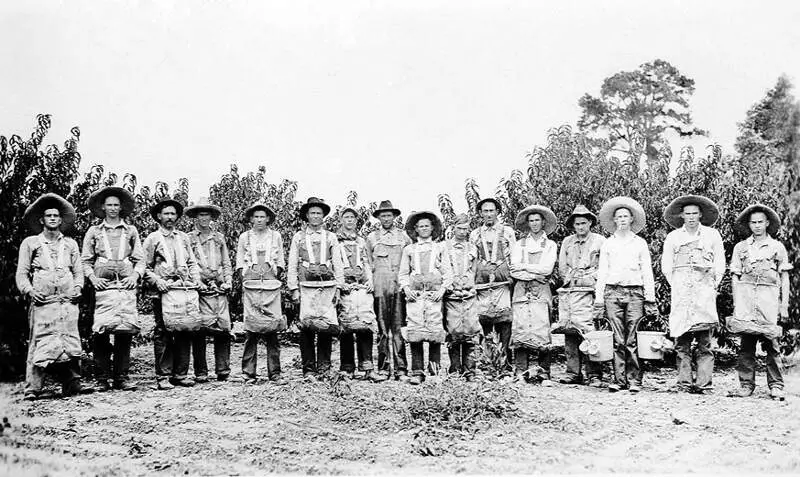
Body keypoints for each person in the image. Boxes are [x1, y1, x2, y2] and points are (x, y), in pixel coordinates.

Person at [16, 193, 94, 400]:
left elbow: (78, 272)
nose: (52, 218)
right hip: (43, 302)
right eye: (48, 215)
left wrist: (78, 287)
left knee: (70, 340)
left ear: (61, 220)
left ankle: (72, 383)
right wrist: (30, 291)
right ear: (41, 220)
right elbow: (22, 273)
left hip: (67, 301)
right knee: (40, 341)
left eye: (56, 216)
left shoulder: (70, 244)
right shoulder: (31, 243)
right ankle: (33, 387)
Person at [81, 186, 144, 392]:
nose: (113, 208)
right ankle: (101, 377)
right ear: (102, 207)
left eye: (116, 205)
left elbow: (140, 259)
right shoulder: (94, 231)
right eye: (109, 205)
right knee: (101, 331)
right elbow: (85, 260)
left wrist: (134, 276)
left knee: (124, 330)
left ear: (121, 207)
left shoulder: (131, 231)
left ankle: (121, 377)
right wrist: (92, 278)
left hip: (124, 287)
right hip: (102, 287)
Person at [661, 195, 725, 394]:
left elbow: (719, 264)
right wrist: (679, 286)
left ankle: (704, 384)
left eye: (694, 213)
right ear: (681, 215)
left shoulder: (712, 235)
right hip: (681, 293)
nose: (691, 217)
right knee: (682, 342)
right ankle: (684, 382)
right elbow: (666, 267)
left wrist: (711, 285)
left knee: (704, 341)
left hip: (704, 292)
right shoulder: (673, 238)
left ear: (700, 215)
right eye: (687, 213)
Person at [729, 204, 792, 401]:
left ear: (767, 223)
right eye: (753, 222)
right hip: (746, 300)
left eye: (760, 222)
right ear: (749, 225)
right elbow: (735, 276)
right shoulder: (741, 247)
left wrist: (784, 305)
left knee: (772, 344)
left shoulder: (777, 247)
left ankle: (776, 385)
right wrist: (737, 301)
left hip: (768, 301)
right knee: (746, 345)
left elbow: (785, 278)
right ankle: (746, 385)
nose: (757, 226)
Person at [594, 196, 656, 393]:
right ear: (614, 220)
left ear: (631, 219)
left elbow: (647, 271)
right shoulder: (608, 244)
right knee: (617, 338)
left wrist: (650, 297)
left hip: (635, 293)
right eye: (618, 216)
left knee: (632, 338)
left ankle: (634, 380)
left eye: (625, 216)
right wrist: (599, 298)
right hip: (612, 292)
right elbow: (602, 271)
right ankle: (619, 380)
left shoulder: (639, 243)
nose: (622, 219)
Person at [143, 198, 204, 389]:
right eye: (166, 214)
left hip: (183, 290)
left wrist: (196, 280)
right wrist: (157, 281)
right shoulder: (153, 239)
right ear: (159, 216)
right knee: (164, 331)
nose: (170, 217)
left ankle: (181, 373)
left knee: (184, 330)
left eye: (173, 214)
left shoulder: (183, 238)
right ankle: (163, 375)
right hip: (163, 291)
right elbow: (143, 266)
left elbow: (192, 262)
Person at [288, 197, 345, 381]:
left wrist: (339, 287)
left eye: (318, 213)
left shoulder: (330, 237)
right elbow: (292, 264)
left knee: (325, 327)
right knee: (307, 327)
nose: (315, 216)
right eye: (312, 213)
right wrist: (293, 288)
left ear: (323, 216)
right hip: (306, 287)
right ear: (306, 215)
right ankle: (308, 369)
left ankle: (324, 367)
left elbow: (337, 263)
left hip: (327, 287)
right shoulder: (299, 237)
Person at [398, 211, 453, 385]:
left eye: (426, 226)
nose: (423, 229)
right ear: (415, 229)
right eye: (420, 226)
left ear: (432, 228)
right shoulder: (409, 250)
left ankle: (434, 372)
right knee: (416, 332)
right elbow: (403, 273)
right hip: (415, 297)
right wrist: (406, 288)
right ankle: (417, 371)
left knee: (434, 332)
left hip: (433, 297)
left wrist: (442, 290)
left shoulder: (440, 248)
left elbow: (447, 273)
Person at [237, 202, 287, 384]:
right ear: (251, 219)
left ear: (268, 219)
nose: (259, 220)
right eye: (256, 217)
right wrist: (247, 275)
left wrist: (272, 274)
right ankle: (248, 373)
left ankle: (275, 373)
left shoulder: (275, 236)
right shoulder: (245, 237)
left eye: (262, 217)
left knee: (272, 328)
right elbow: (239, 262)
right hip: (251, 284)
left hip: (271, 284)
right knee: (251, 329)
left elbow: (280, 260)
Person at [556, 205, 605, 387]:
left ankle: (594, 374)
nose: (581, 227)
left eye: (584, 223)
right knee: (570, 330)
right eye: (577, 224)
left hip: (590, 292)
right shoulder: (567, 242)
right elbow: (562, 268)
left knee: (589, 332)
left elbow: (604, 266)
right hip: (570, 291)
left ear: (590, 222)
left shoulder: (600, 241)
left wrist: (589, 278)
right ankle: (572, 372)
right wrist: (572, 279)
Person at [509, 205, 558, 385]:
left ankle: (543, 374)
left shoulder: (550, 245)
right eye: (531, 220)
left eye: (537, 220)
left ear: (543, 222)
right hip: (521, 290)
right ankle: (521, 372)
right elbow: (514, 269)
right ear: (527, 223)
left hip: (541, 290)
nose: (535, 223)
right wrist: (534, 274)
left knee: (542, 329)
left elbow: (547, 269)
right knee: (521, 329)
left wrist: (527, 268)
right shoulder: (519, 244)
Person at [336, 207, 386, 382]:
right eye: (346, 217)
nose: (349, 220)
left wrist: (369, 281)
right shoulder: (335, 240)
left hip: (361, 288)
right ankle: (347, 368)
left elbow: (366, 262)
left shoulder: (361, 241)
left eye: (352, 217)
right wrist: (340, 283)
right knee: (347, 327)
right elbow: (334, 263)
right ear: (341, 220)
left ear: (357, 221)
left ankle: (368, 368)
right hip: (345, 288)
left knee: (365, 324)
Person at [186, 198, 233, 383]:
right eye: (200, 214)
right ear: (195, 217)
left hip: (219, 286)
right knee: (199, 330)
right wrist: (197, 281)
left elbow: (226, 262)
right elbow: (188, 262)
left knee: (223, 328)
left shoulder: (219, 238)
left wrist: (228, 280)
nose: (203, 218)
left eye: (206, 214)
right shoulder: (189, 238)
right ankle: (201, 371)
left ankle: (223, 369)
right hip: (198, 287)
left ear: (211, 217)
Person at [365, 200, 412, 381]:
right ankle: (384, 368)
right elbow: (368, 264)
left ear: (394, 217)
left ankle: (401, 369)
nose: (386, 218)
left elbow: (410, 263)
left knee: (399, 330)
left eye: (389, 215)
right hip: (379, 288)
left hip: (399, 288)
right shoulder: (372, 238)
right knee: (383, 330)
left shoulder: (404, 237)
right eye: (383, 215)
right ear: (378, 218)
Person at [469, 198, 516, 374]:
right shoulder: (475, 234)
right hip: (483, 283)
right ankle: (489, 364)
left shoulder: (508, 231)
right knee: (485, 321)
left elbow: (513, 254)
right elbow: (472, 259)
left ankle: (505, 364)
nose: (488, 214)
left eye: (492, 210)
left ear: (498, 211)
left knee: (504, 322)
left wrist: (511, 275)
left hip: (502, 281)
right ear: (480, 213)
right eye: (485, 211)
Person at [444, 214, 481, 380]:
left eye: (465, 229)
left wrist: (471, 288)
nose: (462, 232)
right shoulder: (444, 247)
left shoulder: (473, 248)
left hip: (468, 294)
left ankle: (470, 370)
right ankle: (454, 369)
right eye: (459, 228)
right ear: (453, 228)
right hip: (451, 295)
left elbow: (474, 270)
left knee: (470, 331)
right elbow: (442, 269)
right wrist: (449, 287)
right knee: (453, 331)